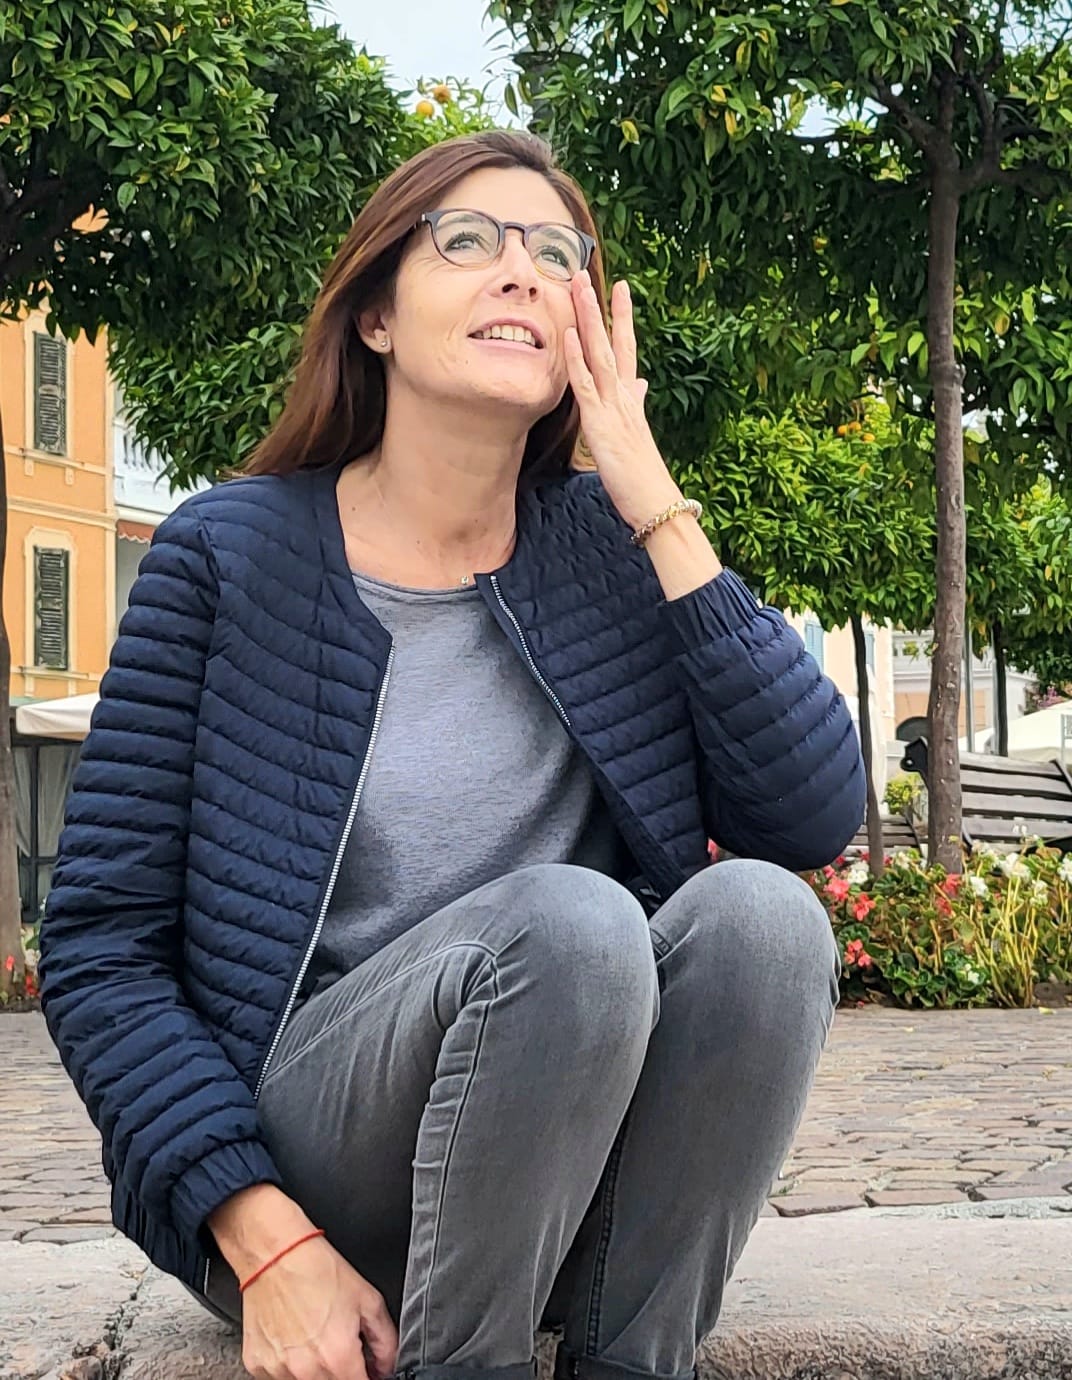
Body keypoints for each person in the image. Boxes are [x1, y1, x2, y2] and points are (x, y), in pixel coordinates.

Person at [39, 130, 864, 1380]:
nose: (521, 271)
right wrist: (267, 1244)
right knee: (572, 922)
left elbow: (806, 819)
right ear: (374, 315)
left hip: (562, 1189)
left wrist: (649, 496)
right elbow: (102, 949)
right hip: (308, 1178)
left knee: (766, 918)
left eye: (557, 255)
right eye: (469, 241)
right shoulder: (228, 555)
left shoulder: (610, 554)